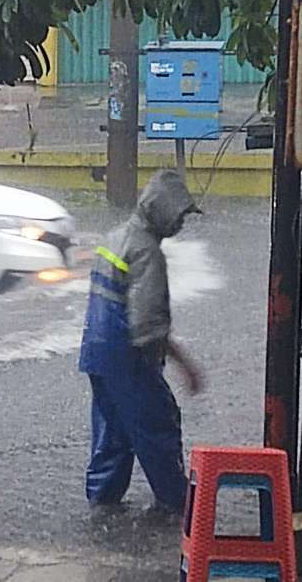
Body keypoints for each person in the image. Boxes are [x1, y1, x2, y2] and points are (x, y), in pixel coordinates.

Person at [78, 169, 205, 517]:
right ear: (161, 211)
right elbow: (148, 326)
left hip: (97, 353)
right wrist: (186, 367)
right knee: (158, 423)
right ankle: (175, 504)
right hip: (128, 358)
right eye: (179, 216)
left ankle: (102, 501)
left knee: (113, 430)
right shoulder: (147, 252)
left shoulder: (116, 236)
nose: (180, 224)